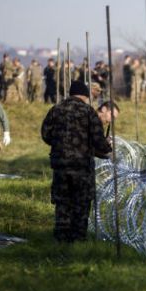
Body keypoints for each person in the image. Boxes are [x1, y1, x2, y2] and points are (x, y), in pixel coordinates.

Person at [41, 81, 112, 243]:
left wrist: (59, 145)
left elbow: (45, 134)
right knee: (81, 202)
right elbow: (97, 140)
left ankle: (61, 237)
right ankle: (78, 238)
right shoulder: (88, 112)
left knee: (63, 202)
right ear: (85, 96)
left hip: (60, 165)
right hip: (82, 166)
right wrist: (107, 147)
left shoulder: (56, 110)